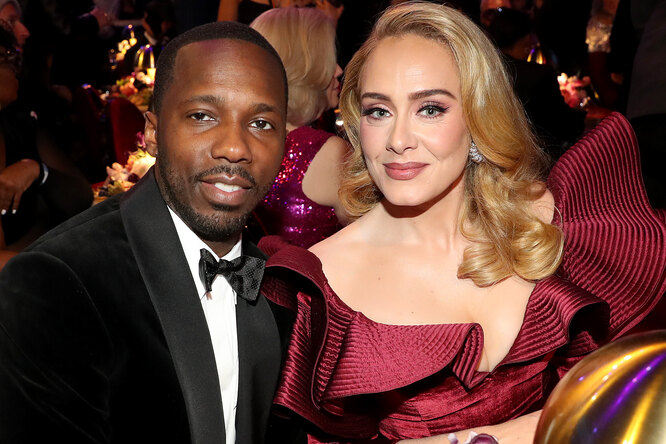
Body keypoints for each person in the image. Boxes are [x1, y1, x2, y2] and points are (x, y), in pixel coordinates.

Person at [259, 2, 666, 442]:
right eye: (379, 111)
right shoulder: (322, 290)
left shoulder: (553, 218)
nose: (398, 140)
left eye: (430, 109)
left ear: (477, 114)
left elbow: (628, 393)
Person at [0, 21, 303, 444]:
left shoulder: (280, 286)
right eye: (202, 116)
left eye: (261, 123)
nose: (235, 148)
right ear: (153, 134)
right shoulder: (56, 285)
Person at [251, 7, 348, 248]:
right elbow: (379, 242)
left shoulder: (246, 139)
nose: (339, 70)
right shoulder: (324, 151)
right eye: (327, 60)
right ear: (305, 69)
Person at [0, 23, 91, 269]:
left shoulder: (20, 122)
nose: (16, 69)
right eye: (8, 60)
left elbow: (81, 196)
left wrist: (37, 171)